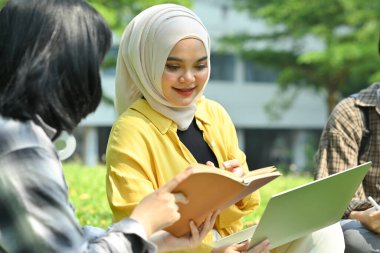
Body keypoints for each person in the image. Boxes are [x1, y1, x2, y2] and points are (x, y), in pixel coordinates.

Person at [106, 3, 345, 253]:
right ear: (146, 64)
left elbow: (244, 208)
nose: (189, 78)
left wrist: (238, 183)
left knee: (322, 230)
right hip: (179, 250)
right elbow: (136, 227)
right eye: (173, 66)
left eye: (200, 66)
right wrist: (210, 250)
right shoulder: (131, 129)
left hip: (234, 244)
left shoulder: (214, 114)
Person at [0, 0, 218, 252]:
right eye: (91, 63)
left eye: (200, 65)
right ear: (62, 65)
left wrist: (157, 240)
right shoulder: (19, 143)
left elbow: (67, 238)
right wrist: (143, 222)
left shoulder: (22, 134)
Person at [314, 82, 380, 253]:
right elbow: (331, 199)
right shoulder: (352, 114)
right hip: (369, 230)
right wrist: (364, 216)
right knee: (351, 237)